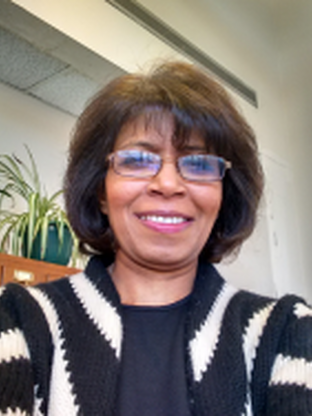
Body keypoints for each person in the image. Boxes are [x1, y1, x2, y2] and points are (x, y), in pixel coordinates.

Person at [0, 61, 311, 416]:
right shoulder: (17, 322)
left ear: (223, 194)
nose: (167, 184)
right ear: (101, 190)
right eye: (136, 160)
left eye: (198, 164)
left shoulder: (286, 332)